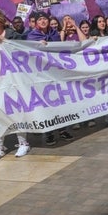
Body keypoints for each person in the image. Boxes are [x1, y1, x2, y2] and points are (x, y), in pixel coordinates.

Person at [0, 10, 31, 163]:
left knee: (17, 111)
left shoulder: (12, 34)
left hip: (13, 80)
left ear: (1, 22)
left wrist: (4, 42)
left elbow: (23, 49)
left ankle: (23, 142)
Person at [27, 12, 74, 144]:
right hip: (41, 75)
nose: (42, 21)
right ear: (36, 23)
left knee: (59, 102)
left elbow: (60, 49)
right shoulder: (32, 36)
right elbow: (27, 52)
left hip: (55, 73)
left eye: (44, 19)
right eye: (39, 19)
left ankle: (62, 129)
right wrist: (36, 45)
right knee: (46, 103)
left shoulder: (54, 34)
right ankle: (49, 133)